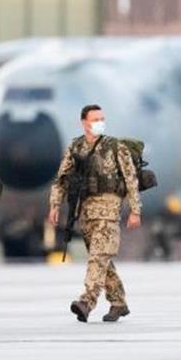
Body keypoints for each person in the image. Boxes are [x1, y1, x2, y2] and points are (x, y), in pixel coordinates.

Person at [47, 104, 142, 323]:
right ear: (84, 123)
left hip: (109, 210)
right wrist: (55, 205)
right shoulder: (75, 147)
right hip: (85, 212)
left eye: (102, 118)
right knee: (102, 260)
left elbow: (131, 180)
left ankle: (86, 301)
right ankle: (119, 302)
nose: (100, 122)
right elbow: (61, 179)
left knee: (98, 257)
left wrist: (135, 210)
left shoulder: (115, 147)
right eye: (95, 119)